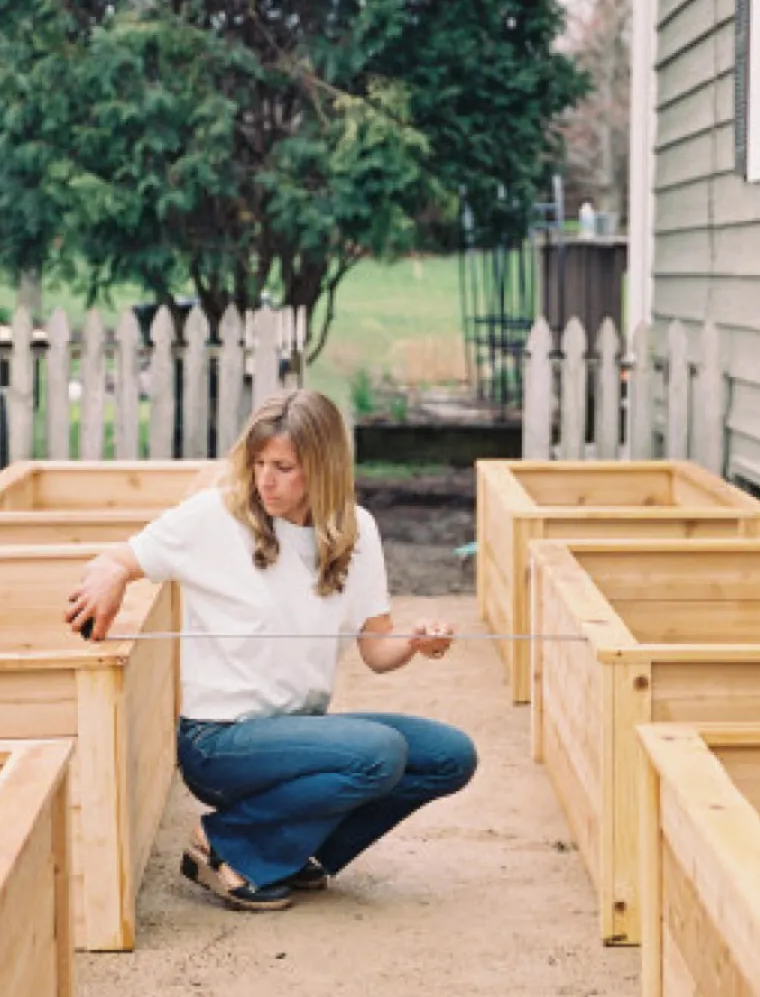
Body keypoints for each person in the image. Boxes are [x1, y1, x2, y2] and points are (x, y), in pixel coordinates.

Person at [65, 389, 477, 913]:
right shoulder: (216, 517)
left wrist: (417, 642)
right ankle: (231, 845)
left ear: (323, 468)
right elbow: (119, 558)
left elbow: (378, 648)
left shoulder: (357, 530)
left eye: (283, 466)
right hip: (220, 742)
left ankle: (291, 854)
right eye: (259, 463)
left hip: (299, 732)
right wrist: (107, 580)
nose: (265, 479)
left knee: (450, 757)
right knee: (379, 753)